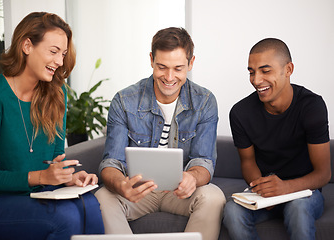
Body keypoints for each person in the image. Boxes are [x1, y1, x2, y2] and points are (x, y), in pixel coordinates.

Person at [94, 27, 226, 240]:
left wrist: (192, 177)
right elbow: (111, 163)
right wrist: (121, 184)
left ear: (190, 64)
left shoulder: (204, 101)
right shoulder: (124, 100)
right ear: (151, 60)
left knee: (214, 197)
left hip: (179, 194)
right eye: (162, 67)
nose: (169, 77)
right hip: (137, 192)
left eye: (178, 68)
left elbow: (204, 161)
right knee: (102, 197)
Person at [0, 12, 104, 240]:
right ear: (27, 45)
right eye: (53, 52)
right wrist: (41, 177)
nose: (60, 62)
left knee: (89, 204)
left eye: (63, 54)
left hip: (39, 194)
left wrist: (68, 178)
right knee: (65, 217)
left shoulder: (57, 95)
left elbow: (57, 158)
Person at [223, 38, 331, 240]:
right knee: (232, 211)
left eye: (265, 71)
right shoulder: (240, 112)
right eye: (251, 72)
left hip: (304, 192)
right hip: (265, 194)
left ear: (288, 69)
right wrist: (261, 187)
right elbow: (248, 162)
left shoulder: (312, 106)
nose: (256, 80)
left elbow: (323, 174)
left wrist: (284, 188)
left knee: (298, 209)